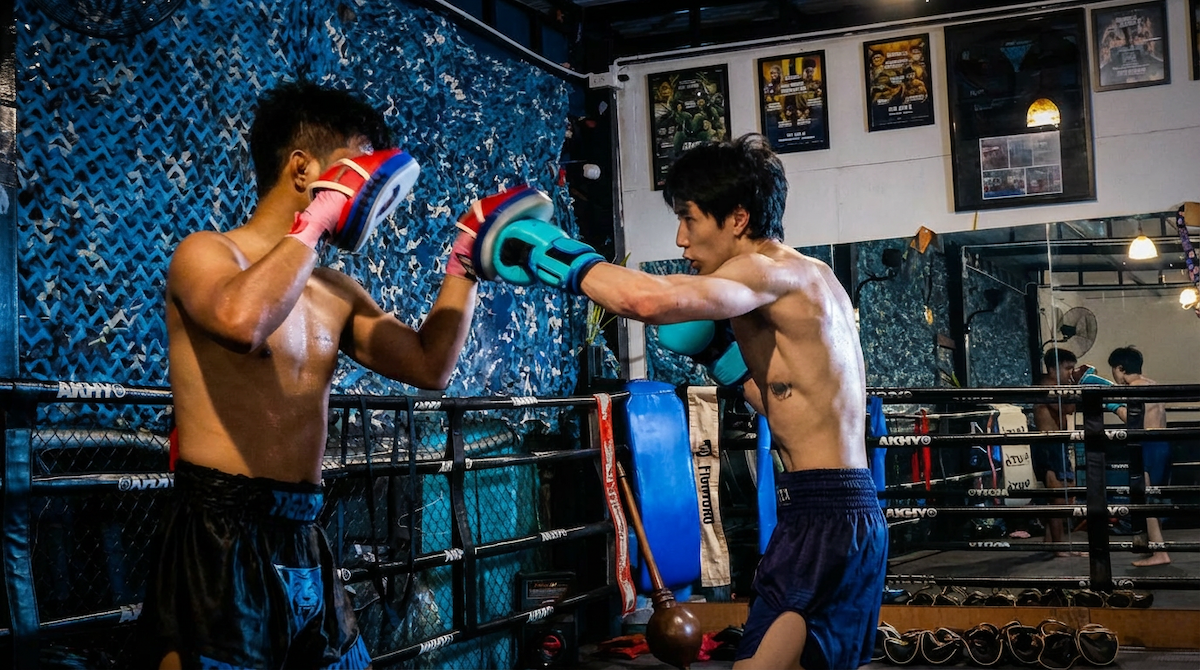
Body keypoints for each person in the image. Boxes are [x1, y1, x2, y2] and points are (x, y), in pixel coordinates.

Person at [469, 133, 886, 669]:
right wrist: (720, 356)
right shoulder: (815, 279)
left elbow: (648, 301)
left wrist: (554, 254)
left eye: (689, 219)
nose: (680, 238)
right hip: (850, 511)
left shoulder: (767, 272)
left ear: (737, 218)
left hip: (821, 515)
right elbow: (785, 401)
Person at [143, 81, 481, 669]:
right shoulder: (206, 255)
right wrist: (315, 221)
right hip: (219, 533)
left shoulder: (335, 291)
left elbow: (431, 365)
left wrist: (466, 264)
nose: (372, 188)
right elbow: (243, 322)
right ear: (303, 169)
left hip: (305, 531)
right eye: (359, 167)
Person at [1109, 346, 1172, 567]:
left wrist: (1114, 406)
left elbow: (1133, 420)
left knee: (1146, 499)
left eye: (1113, 370)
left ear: (1120, 368)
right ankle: (1156, 547)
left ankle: (1160, 553)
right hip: (1164, 444)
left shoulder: (1134, 388)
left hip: (1148, 446)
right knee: (1155, 498)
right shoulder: (1152, 383)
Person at [1033, 348, 1084, 557]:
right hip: (1048, 445)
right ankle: (1059, 547)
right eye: (1068, 368)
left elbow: (1069, 408)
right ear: (1053, 369)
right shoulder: (1046, 386)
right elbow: (1067, 408)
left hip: (1058, 444)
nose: (1071, 372)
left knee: (1068, 495)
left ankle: (1051, 542)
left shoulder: (1058, 386)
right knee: (1058, 499)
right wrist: (1077, 384)